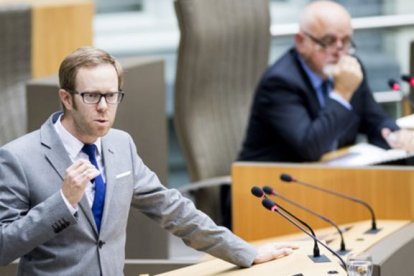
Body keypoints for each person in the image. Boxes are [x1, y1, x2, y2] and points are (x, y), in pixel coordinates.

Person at [0, 47, 298, 275]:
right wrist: (62, 203)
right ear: (66, 98)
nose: (104, 107)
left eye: (112, 95)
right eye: (92, 96)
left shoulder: (121, 144)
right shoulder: (19, 157)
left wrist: (246, 252)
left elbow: (172, 209)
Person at [238, 0, 414, 163]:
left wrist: (395, 135)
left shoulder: (351, 69)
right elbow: (310, 148)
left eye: (345, 41)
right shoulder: (280, 83)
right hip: (267, 185)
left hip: (329, 180)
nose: (339, 52)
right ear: (301, 42)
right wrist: (341, 94)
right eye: (328, 42)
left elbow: (375, 120)